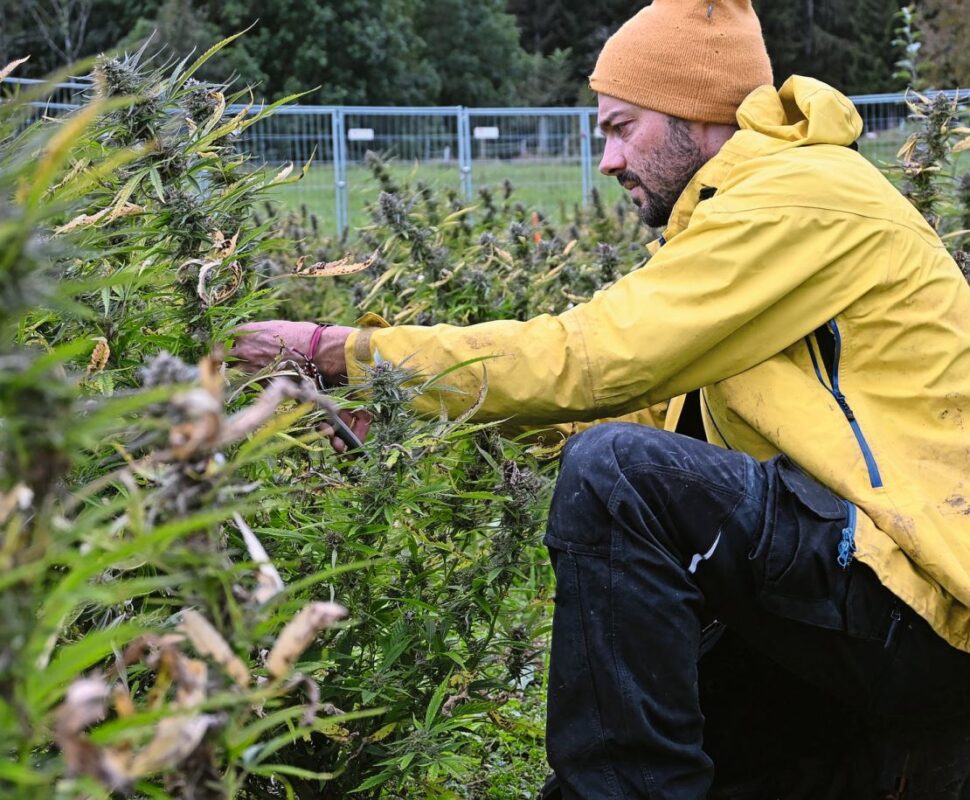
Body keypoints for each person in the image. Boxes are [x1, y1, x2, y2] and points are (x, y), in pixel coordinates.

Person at [233, 1, 970, 796]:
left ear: (697, 114)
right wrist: (401, 409)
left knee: (617, 479)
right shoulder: (755, 211)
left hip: (920, 592)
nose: (608, 162)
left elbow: (591, 358)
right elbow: (632, 413)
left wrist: (345, 354)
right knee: (707, 742)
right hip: (875, 596)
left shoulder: (801, 196)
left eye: (622, 127)